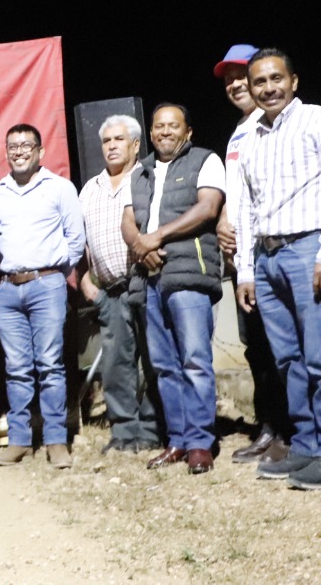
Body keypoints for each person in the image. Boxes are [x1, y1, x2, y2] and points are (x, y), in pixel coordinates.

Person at [234, 48, 321, 490]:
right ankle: (306, 445)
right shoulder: (250, 138)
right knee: (288, 359)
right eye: (259, 82)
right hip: (267, 258)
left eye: (275, 79)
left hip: (309, 250)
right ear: (250, 89)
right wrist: (244, 270)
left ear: (293, 81)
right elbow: (246, 208)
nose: (268, 88)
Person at [122, 104, 225, 475]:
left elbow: (209, 208)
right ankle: (178, 440)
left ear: (188, 131)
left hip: (189, 274)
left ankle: (200, 443)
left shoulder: (205, 160)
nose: (165, 132)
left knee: (195, 360)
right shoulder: (142, 172)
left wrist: (157, 237)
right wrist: (140, 246)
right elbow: (129, 219)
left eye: (173, 126)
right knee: (164, 365)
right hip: (149, 280)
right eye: (159, 126)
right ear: (150, 134)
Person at [0, 123, 86, 469]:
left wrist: (52, 276)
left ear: (40, 151)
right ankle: (18, 440)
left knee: (49, 365)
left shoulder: (59, 188)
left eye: (26, 145)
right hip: (8, 289)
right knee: (16, 368)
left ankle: (56, 440)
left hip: (47, 285)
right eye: (12, 145)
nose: (18, 151)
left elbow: (75, 240)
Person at [213, 44, 290, 465]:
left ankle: (290, 431)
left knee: (282, 348)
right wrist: (226, 219)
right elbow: (240, 190)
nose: (235, 85)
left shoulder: (275, 123)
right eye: (228, 80)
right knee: (256, 346)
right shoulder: (241, 130)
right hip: (246, 261)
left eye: (242, 75)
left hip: (274, 253)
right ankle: (269, 428)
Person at [76, 115, 161, 455]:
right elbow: (79, 239)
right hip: (109, 291)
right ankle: (124, 432)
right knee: (115, 364)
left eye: (119, 140)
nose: (111, 146)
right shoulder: (89, 188)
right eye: (106, 141)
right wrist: (84, 277)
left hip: (145, 283)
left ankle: (153, 429)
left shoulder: (148, 179)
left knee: (155, 359)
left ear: (135, 145)